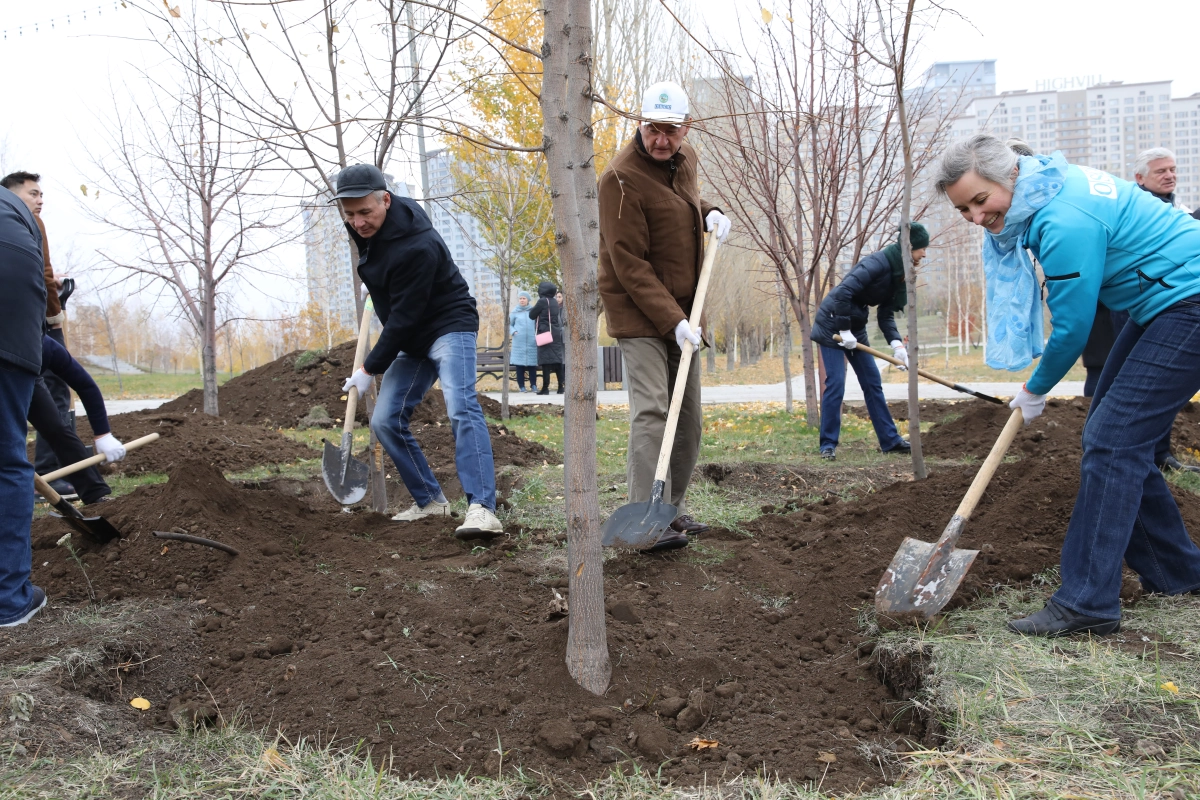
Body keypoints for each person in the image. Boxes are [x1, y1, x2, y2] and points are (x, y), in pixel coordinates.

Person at [935, 134, 1200, 637]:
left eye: (979, 200)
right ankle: (1178, 573)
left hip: (1188, 302)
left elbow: (1074, 327)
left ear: (1009, 176)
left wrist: (1034, 389)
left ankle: (1087, 603)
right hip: (1163, 301)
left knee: (1112, 441)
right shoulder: (1048, 189)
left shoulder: (1062, 219)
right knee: (1112, 438)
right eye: (962, 209)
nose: (974, 216)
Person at [597, 79, 731, 552]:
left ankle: (669, 509)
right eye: (654, 129)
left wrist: (710, 210)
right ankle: (643, 518)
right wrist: (671, 322)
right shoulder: (619, 179)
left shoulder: (685, 159)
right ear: (641, 124)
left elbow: (685, 201)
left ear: (686, 128)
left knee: (688, 418)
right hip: (640, 314)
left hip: (684, 313)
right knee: (654, 411)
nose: (661, 140)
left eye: (671, 131)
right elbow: (627, 261)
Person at [334, 165, 502, 540]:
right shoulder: (367, 225)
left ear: (386, 200)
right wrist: (377, 284)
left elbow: (405, 318)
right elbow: (382, 264)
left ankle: (483, 508)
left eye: (365, 212)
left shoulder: (417, 244)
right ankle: (430, 501)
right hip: (412, 335)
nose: (358, 222)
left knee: (460, 405)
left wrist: (369, 368)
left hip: (447, 324)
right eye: (350, 214)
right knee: (384, 420)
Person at [811, 225, 927, 460]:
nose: (924, 254)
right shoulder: (876, 264)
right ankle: (828, 444)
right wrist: (843, 330)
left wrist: (897, 345)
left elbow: (885, 315)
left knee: (872, 381)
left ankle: (890, 441)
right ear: (908, 247)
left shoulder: (899, 274)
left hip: (855, 325)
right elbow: (843, 292)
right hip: (832, 325)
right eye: (921, 248)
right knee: (835, 384)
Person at [1, 172, 75, 495]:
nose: (40, 200)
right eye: (33, 193)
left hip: (20, 330)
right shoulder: (28, 222)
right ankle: (52, 470)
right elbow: (42, 274)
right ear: (13, 194)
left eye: (42, 194)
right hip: (31, 331)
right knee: (52, 396)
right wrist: (55, 315)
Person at [0, 184, 49, 627]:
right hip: (10, 329)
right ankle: (8, 600)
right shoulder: (18, 221)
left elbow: (82, 388)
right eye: (35, 191)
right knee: (6, 461)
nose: (41, 199)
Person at [29, 335, 126, 505]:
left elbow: (85, 385)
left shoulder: (43, 345)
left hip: (28, 379)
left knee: (56, 428)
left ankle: (95, 496)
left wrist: (103, 433)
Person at [528, 281, 564, 395]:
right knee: (558, 361)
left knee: (545, 362)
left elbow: (532, 315)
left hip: (544, 333)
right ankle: (560, 387)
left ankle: (545, 388)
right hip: (555, 333)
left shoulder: (542, 301)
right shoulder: (554, 302)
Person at [508, 291, 539, 392]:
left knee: (532, 366)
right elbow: (509, 325)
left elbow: (538, 324)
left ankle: (533, 385)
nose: (522, 300)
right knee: (519, 366)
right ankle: (521, 386)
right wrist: (513, 331)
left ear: (528, 300)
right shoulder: (514, 312)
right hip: (519, 343)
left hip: (532, 342)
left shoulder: (533, 311)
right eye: (520, 298)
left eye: (524, 298)